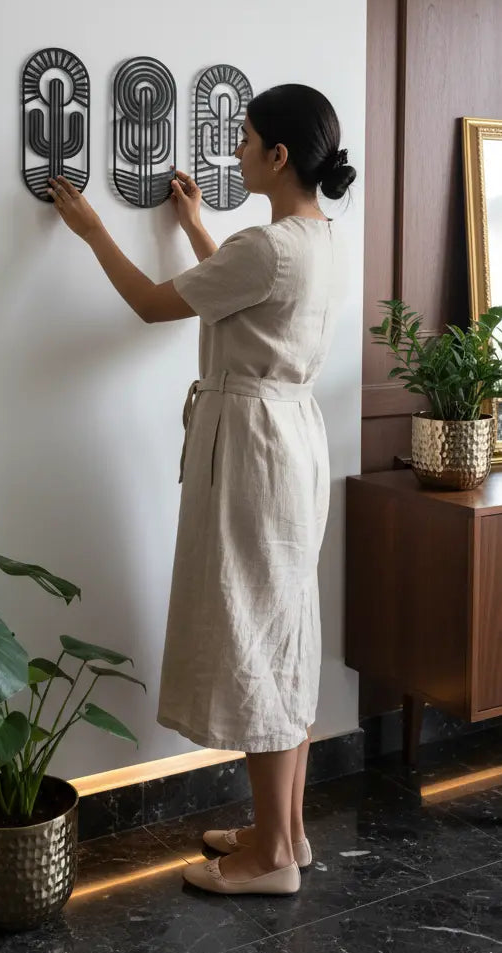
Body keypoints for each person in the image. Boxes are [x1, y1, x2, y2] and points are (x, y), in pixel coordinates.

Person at [47, 82, 354, 898]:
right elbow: (247, 295)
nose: (237, 150)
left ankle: (267, 862)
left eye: (247, 138)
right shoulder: (313, 237)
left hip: (252, 448)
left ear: (278, 154)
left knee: (257, 632)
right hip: (289, 442)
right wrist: (190, 227)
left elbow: (153, 306)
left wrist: (91, 230)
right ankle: (282, 834)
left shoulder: (267, 246)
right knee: (281, 631)